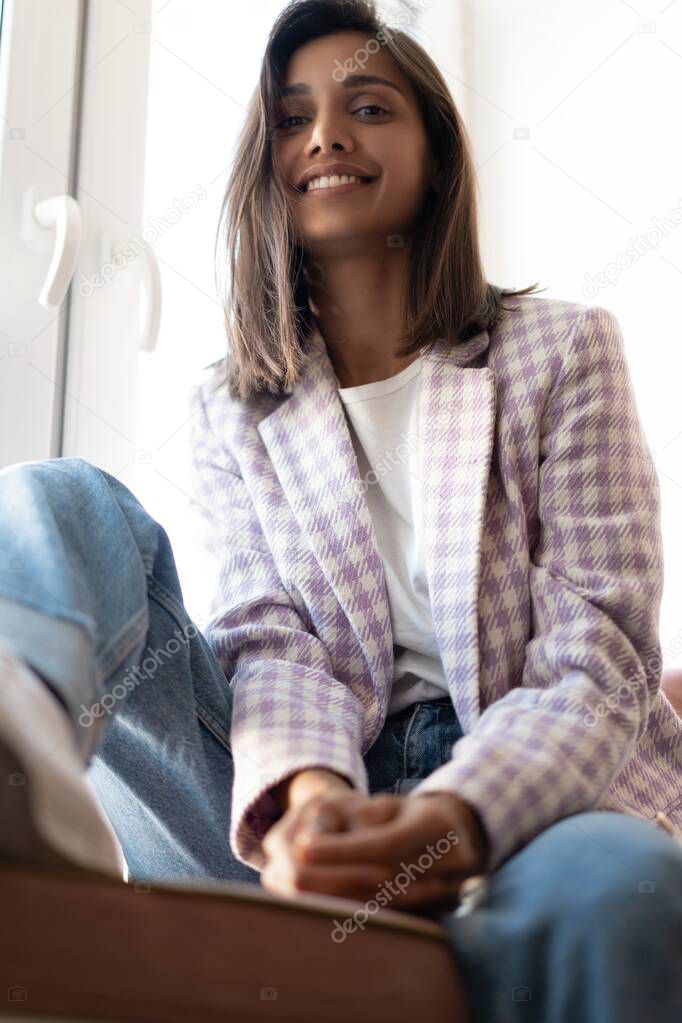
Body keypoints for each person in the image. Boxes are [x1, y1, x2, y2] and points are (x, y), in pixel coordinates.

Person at [1, 2, 680, 1020]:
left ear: (437, 156)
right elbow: (270, 643)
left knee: (622, 890)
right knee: (60, 499)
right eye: (289, 118)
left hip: (532, 804)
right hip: (289, 804)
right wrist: (308, 801)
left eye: (368, 105)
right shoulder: (232, 404)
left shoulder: (566, 350)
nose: (324, 135)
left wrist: (452, 818)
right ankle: (20, 747)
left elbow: (598, 654)